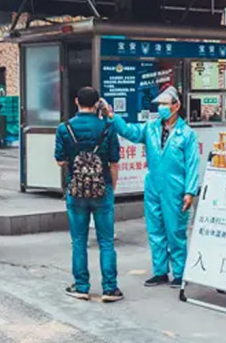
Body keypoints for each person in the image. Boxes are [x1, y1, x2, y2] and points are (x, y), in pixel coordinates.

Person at [103, 85, 200, 288]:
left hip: (176, 188)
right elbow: (130, 131)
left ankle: (180, 273)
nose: (162, 108)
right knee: (155, 230)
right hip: (154, 185)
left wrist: (190, 191)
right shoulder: (151, 128)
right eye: (160, 104)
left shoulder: (187, 134)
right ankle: (160, 271)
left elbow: (192, 165)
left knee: (175, 231)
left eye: (165, 104)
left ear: (176, 106)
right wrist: (113, 117)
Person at [55, 86, 123, 303]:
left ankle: (82, 286)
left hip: (76, 190)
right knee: (105, 241)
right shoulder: (107, 128)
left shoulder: (65, 128)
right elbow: (114, 162)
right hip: (102, 189)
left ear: (76, 101)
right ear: (97, 104)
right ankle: (110, 288)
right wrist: (111, 185)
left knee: (79, 240)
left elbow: (60, 160)